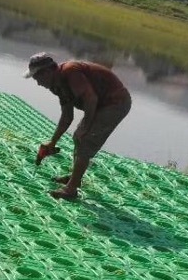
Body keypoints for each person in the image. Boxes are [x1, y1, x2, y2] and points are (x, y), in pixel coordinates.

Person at [25, 53, 132, 200]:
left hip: (115, 102)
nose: (38, 83)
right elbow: (67, 117)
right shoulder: (57, 85)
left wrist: (86, 126)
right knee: (78, 137)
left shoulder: (70, 72)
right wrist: (53, 142)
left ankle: (71, 190)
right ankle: (74, 179)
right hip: (102, 104)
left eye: (38, 78)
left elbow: (91, 99)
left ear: (47, 72)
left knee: (86, 140)